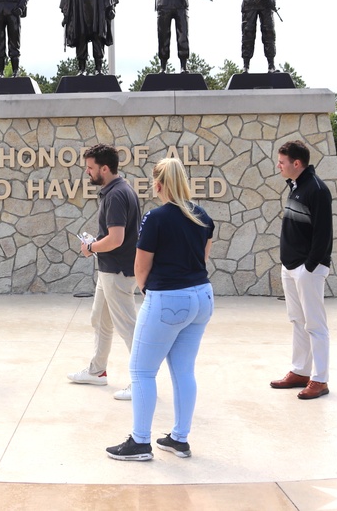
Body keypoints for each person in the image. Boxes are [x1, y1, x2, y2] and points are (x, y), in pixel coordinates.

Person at [105, 158, 215, 461]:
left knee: (141, 371)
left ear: (158, 184)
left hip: (169, 298)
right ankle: (179, 439)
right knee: (183, 370)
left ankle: (140, 442)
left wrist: (146, 289)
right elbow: (203, 258)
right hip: (202, 297)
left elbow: (141, 264)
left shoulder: (155, 218)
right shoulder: (202, 216)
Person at [68, 144, 139, 401]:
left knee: (128, 327)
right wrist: (96, 247)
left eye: (90, 168)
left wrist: (90, 247)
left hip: (117, 271)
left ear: (105, 168)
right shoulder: (118, 189)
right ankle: (97, 371)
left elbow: (116, 238)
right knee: (99, 319)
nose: (87, 173)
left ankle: (141, 382)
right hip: (110, 269)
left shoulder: (116, 195)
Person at [271, 140, 333, 400]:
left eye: (282, 162)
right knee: (297, 320)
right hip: (291, 266)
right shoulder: (295, 186)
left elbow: (324, 234)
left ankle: (320, 379)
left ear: (297, 163)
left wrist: (309, 267)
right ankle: (300, 371)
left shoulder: (317, 190)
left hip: (307, 269)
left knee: (315, 324)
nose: (278, 166)